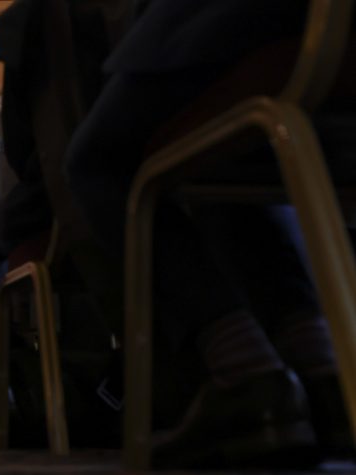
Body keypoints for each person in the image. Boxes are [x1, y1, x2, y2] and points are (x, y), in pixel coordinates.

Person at [62, 0, 345, 467]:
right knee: (216, 160)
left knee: (96, 162)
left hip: (273, 25)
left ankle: (245, 373)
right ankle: (323, 375)